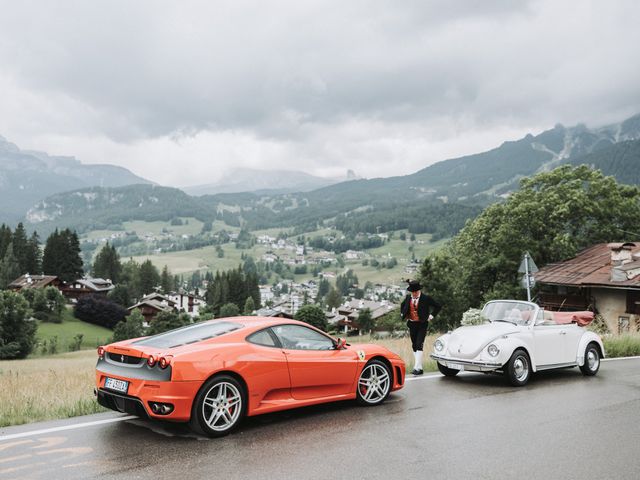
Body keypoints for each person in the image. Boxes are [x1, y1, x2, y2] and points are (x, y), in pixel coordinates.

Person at [401, 280, 442, 375]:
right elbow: (402, 305)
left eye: (415, 292)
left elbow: (438, 306)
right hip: (411, 324)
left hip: (422, 324)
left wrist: (431, 316)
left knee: (419, 344)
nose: (414, 294)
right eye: (412, 292)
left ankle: (416, 367)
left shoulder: (425, 298)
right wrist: (403, 314)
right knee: (414, 345)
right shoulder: (408, 298)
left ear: (419, 290)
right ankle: (419, 368)